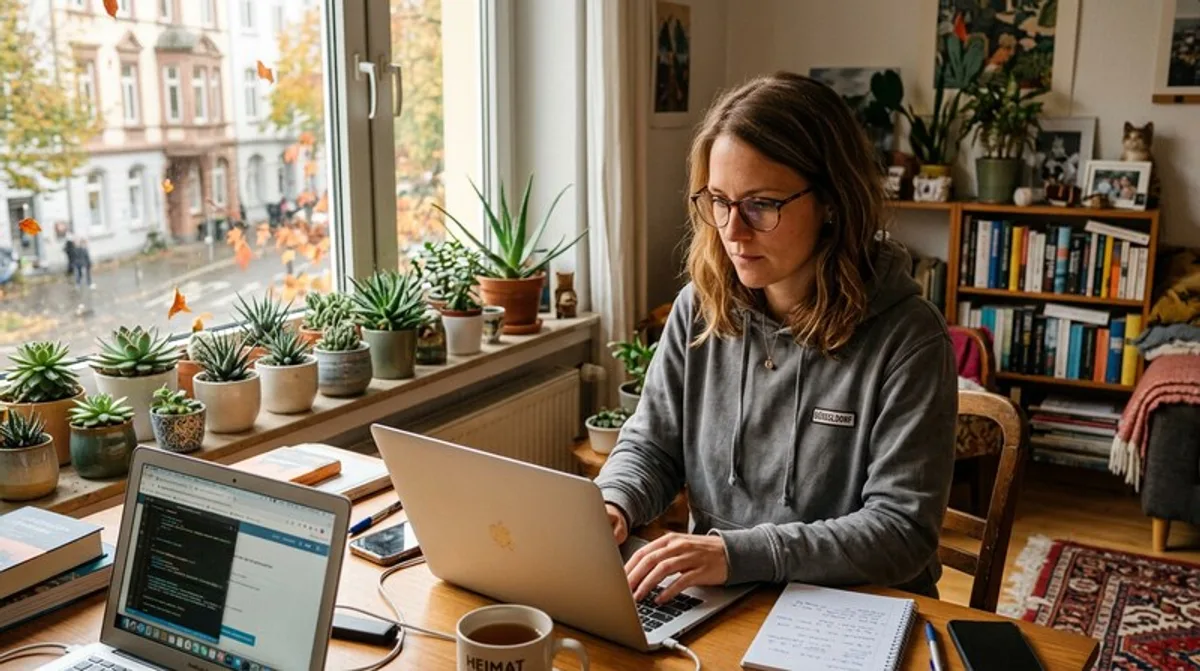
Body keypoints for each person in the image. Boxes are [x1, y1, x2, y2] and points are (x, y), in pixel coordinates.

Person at [594, 72, 957, 606]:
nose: (732, 231)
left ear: (831, 201)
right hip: (723, 600)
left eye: (761, 205)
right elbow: (652, 444)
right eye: (719, 201)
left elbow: (901, 530)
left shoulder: (910, 338)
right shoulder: (699, 308)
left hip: (855, 611)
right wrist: (614, 502)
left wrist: (736, 555)